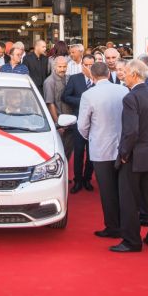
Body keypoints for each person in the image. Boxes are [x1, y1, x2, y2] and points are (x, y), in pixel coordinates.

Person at [112, 60, 148, 252]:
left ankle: (131, 241)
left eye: (126, 72)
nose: (123, 75)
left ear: (135, 75)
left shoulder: (131, 98)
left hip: (135, 158)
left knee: (129, 200)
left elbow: (131, 132)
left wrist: (123, 154)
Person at [77, 62, 129, 239]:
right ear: (108, 74)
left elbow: (82, 125)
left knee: (107, 191)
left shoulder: (88, 95)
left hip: (101, 147)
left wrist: (90, 136)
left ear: (92, 76)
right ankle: (125, 224)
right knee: (123, 189)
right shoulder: (123, 90)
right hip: (123, 146)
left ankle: (113, 227)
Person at [63, 54, 95, 193]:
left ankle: (87, 178)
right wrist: (83, 101)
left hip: (95, 123)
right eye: (86, 65)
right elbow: (65, 96)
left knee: (92, 153)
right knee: (79, 152)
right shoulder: (75, 79)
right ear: (81, 65)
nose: (88, 67)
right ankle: (78, 180)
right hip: (79, 120)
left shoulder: (99, 80)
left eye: (91, 65)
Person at [44, 56, 71, 158]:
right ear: (54, 67)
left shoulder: (68, 78)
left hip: (69, 120)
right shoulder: (49, 82)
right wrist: (57, 124)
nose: (62, 69)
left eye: (64, 66)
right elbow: (50, 103)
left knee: (68, 149)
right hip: (59, 122)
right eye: (60, 67)